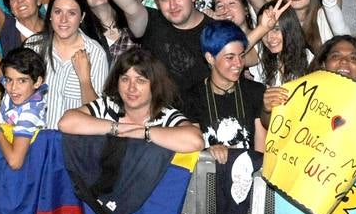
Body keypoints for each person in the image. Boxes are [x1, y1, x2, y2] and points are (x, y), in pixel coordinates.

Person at [58, 46, 204, 153]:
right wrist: (118, 128)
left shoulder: (165, 115)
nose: (131, 88)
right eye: (125, 79)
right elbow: (66, 122)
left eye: (140, 81)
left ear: (154, 85)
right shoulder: (108, 106)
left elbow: (196, 141)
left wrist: (144, 132)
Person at [183, 20, 267, 163]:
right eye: (230, 57)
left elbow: (261, 155)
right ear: (210, 58)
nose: (238, 63)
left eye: (241, 55)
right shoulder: (192, 97)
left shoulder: (256, 92)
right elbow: (191, 153)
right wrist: (208, 152)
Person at [0, 46, 47, 170]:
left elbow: (15, 162)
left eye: (22, 81)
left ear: (37, 82)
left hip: (23, 174)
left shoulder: (30, 113)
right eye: (9, 80)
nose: (13, 88)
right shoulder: (14, 89)